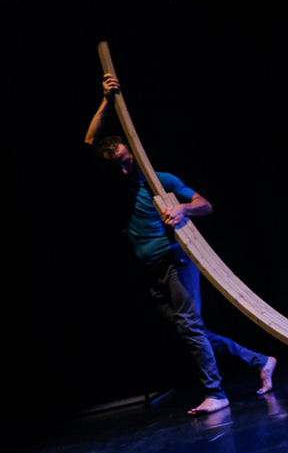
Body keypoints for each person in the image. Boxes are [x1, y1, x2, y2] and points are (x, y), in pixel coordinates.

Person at [85, 73, 277, 414]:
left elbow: (206, 204)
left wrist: (183, 208)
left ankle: (216, 394)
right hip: (151, 270)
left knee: (190, 326)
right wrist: (106, 100)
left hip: (177, 261)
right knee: (189, 330)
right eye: (118, 166)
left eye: (128, 162)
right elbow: (90, 141)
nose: (125, 170)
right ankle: (259, 361)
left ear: (134, 155)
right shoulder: (117, 188)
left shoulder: (161, 180)